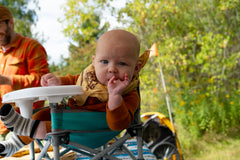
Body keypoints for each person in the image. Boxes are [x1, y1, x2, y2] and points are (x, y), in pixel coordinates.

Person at [0, 29, 149, 157]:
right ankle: (12, 146)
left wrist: (115, 96)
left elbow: (118, 125)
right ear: (94, 61)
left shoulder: (129, 93)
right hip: (74, 119)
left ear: (136, 68)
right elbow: (73, 79)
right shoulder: (89, 77)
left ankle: (24, 127)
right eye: (104, 62)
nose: (111, 69)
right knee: (41, 115)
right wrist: (58, 81)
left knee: (55, 123)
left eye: (122, 63)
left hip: (95, 130)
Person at [0, 6, 50, 140]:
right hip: (2, 126)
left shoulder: (31, 47)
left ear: (10, 23)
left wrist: (7, 80)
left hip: (27, 123)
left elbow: (42, 81)